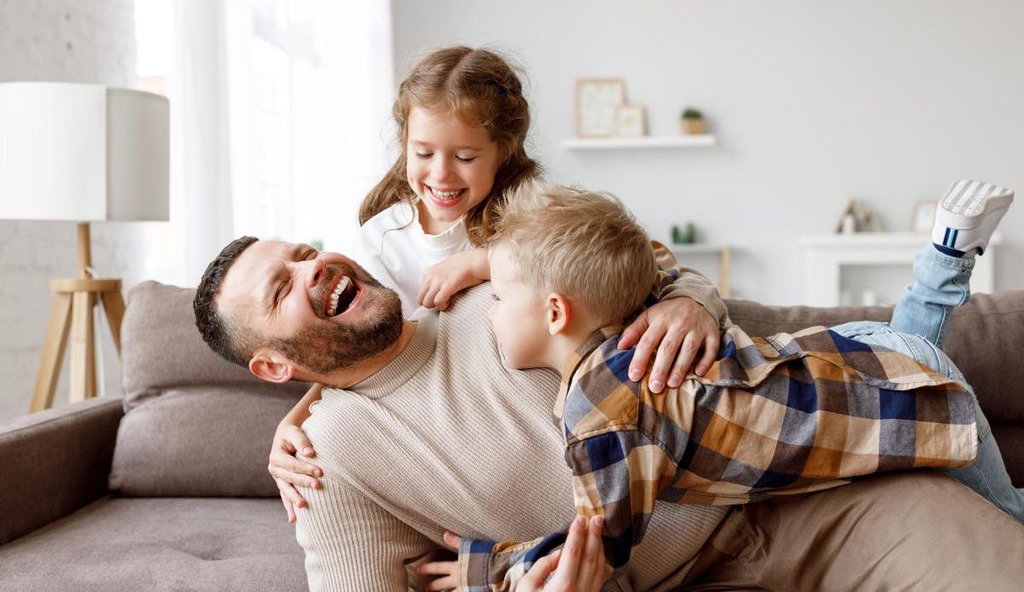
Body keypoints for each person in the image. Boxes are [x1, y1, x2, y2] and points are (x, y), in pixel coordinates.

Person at [193, 200, 1024, 591]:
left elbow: (639, 254)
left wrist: (689, 297)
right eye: (283, 288)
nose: (316, 268)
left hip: (806, 497)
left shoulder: (496, 287)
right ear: (272, 367)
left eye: (305, 251)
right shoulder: (326, 460)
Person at [416, 179, 1020, 590]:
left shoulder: (603, 415)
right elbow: (642, 255)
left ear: (554, 313)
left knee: (1007, 514)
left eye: (496, 298)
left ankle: (944, 263)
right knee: (915, 356)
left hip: (887, 392)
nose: (490, 314)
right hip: (865, 356)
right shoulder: (632, 325)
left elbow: (598, 545)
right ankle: (945, 254)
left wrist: (489, 569)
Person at [269, 45, 726, 523]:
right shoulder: (382, 240)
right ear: (404, 141)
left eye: (465, 156)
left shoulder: (530, 213)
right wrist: (294, 419)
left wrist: (481, 262)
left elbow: (645, 261)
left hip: (546, 413)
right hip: (445, 426)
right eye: (423, 153)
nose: (441, 174)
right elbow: (353, 352)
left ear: (503, 150)